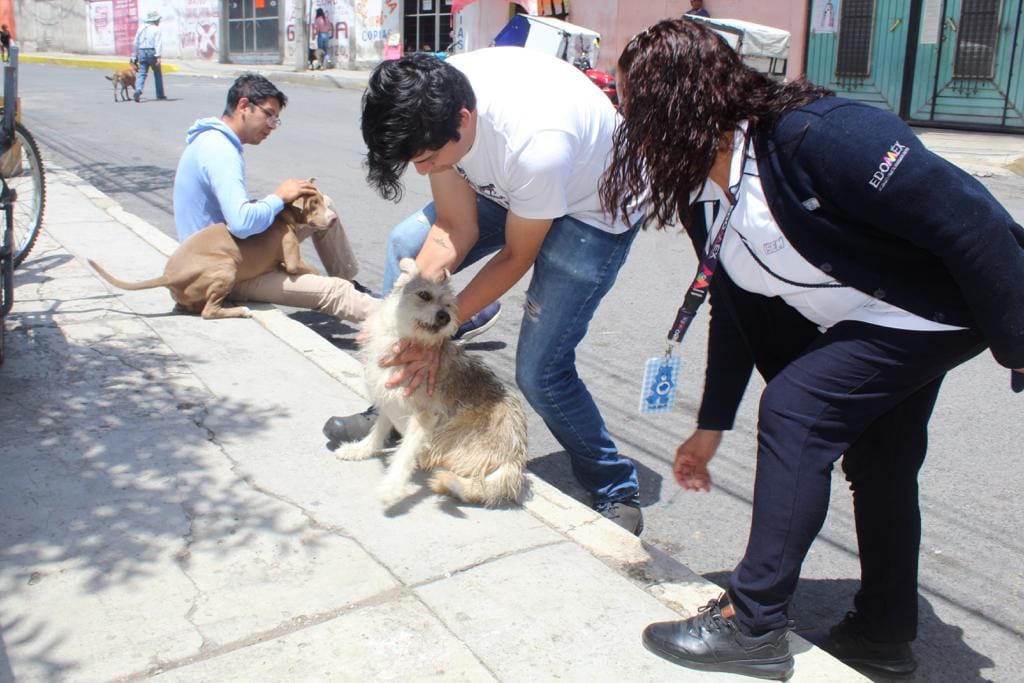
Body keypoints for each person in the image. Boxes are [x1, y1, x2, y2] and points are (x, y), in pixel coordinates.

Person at [601, 19, 1024, 680]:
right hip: (874, 316)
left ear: (676, 108)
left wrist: (1019, 343)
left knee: (798, 408)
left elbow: (971, 218)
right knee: (881, 460)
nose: (624, 120)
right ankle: (885, 633)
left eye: (633, 106)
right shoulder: (704, 194)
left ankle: (754, 623)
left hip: (940, 307)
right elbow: (733, 303)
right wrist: (710, 425)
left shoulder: (820, 138)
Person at [324, 49, 648, 533]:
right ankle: (394, 408)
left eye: (428, 159)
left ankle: (613, 484)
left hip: (593, 208)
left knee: (540, 369)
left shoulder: (537, 144)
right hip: (511, 187)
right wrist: (400, 323)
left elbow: (518, 255)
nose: (420, 169)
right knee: (405, 243)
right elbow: (456, 225)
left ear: (464, 117)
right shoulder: (434, 99)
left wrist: (438, 334)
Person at [172, 73, 377, 322]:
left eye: (276, 119)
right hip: (226, 269)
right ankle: (400, 321)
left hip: (237, 250)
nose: (272, 125)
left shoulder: (212, 140)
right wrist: (279, 197)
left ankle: (349, 281)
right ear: (243, 106)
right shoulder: (221, 152)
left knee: (325, 205)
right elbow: (242, 223)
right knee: (335, 291)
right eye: (268, 115)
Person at [131, 11, 166, 102]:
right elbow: (158, 44)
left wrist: (134, 57)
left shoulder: (140, 28)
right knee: (157, 73)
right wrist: (158, 56)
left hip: (141, 51)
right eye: (158, 20)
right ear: (154, 20)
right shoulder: (156, 29)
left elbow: (135, 43)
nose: (159, 21)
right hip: (152, 52)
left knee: (142, 73)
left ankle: (138, 90)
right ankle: (160, 94)